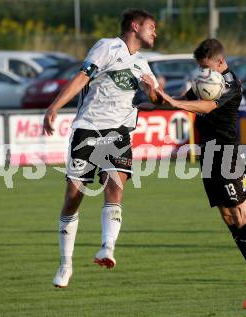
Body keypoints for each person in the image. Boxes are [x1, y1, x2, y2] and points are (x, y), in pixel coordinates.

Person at [149, 39, 246, 310]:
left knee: (240, 213)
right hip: (208, 154)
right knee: (227, 214)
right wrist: (156, 99)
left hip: (227, 152)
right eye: (200, 68)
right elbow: (184, 101)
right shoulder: (206, 80)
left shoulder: (230, 83)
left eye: (206, 67)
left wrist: (174, 102)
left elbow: (206, 107)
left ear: (220, 61)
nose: (203, 72)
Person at [43, 9, 159, 288]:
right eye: (151, 26)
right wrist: (55, 106)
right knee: (73, 197)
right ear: (135, 26)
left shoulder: (143, 63)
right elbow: (83, 77)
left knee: (115, 187)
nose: (155, 32)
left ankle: (107, 248)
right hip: (88, 128)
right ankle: (65, 264)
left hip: (118, 133)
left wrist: (152, 90)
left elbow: (155, 98)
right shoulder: (108, 47)